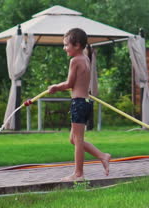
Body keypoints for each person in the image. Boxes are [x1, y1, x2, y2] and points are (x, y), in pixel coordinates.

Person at [48, 28, 111, 182]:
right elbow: (79, 83)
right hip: (87, 102)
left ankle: (78, 174)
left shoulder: (75, 60)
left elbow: (70, 83)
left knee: (78, 139)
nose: (64, 48)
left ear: (76, 45)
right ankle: (102, 156)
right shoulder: (86, 58)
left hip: (79, 103)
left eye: (66, 45)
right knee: (74, 139)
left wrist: (56, 87)